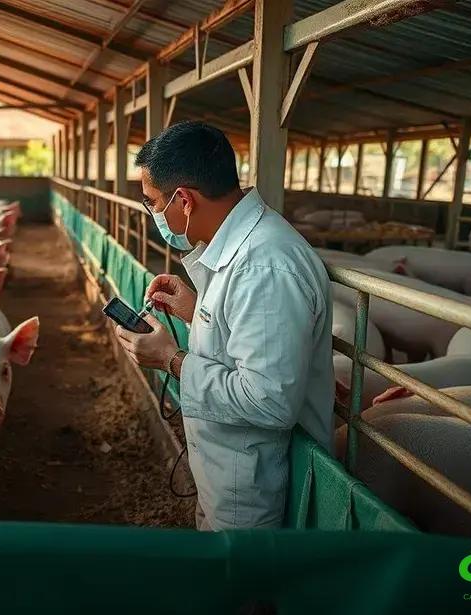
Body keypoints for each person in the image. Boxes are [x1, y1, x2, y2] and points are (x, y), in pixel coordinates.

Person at [114, 121, 333, 531]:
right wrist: (196, 309)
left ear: (183, 200)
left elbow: (268, 399)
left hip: (252, 484)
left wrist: (171, 360)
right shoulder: (244, 249)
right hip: (226, 466)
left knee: (239, 587)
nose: (152, 213)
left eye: (152, 202)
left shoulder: (264, 266)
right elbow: (249, 334)